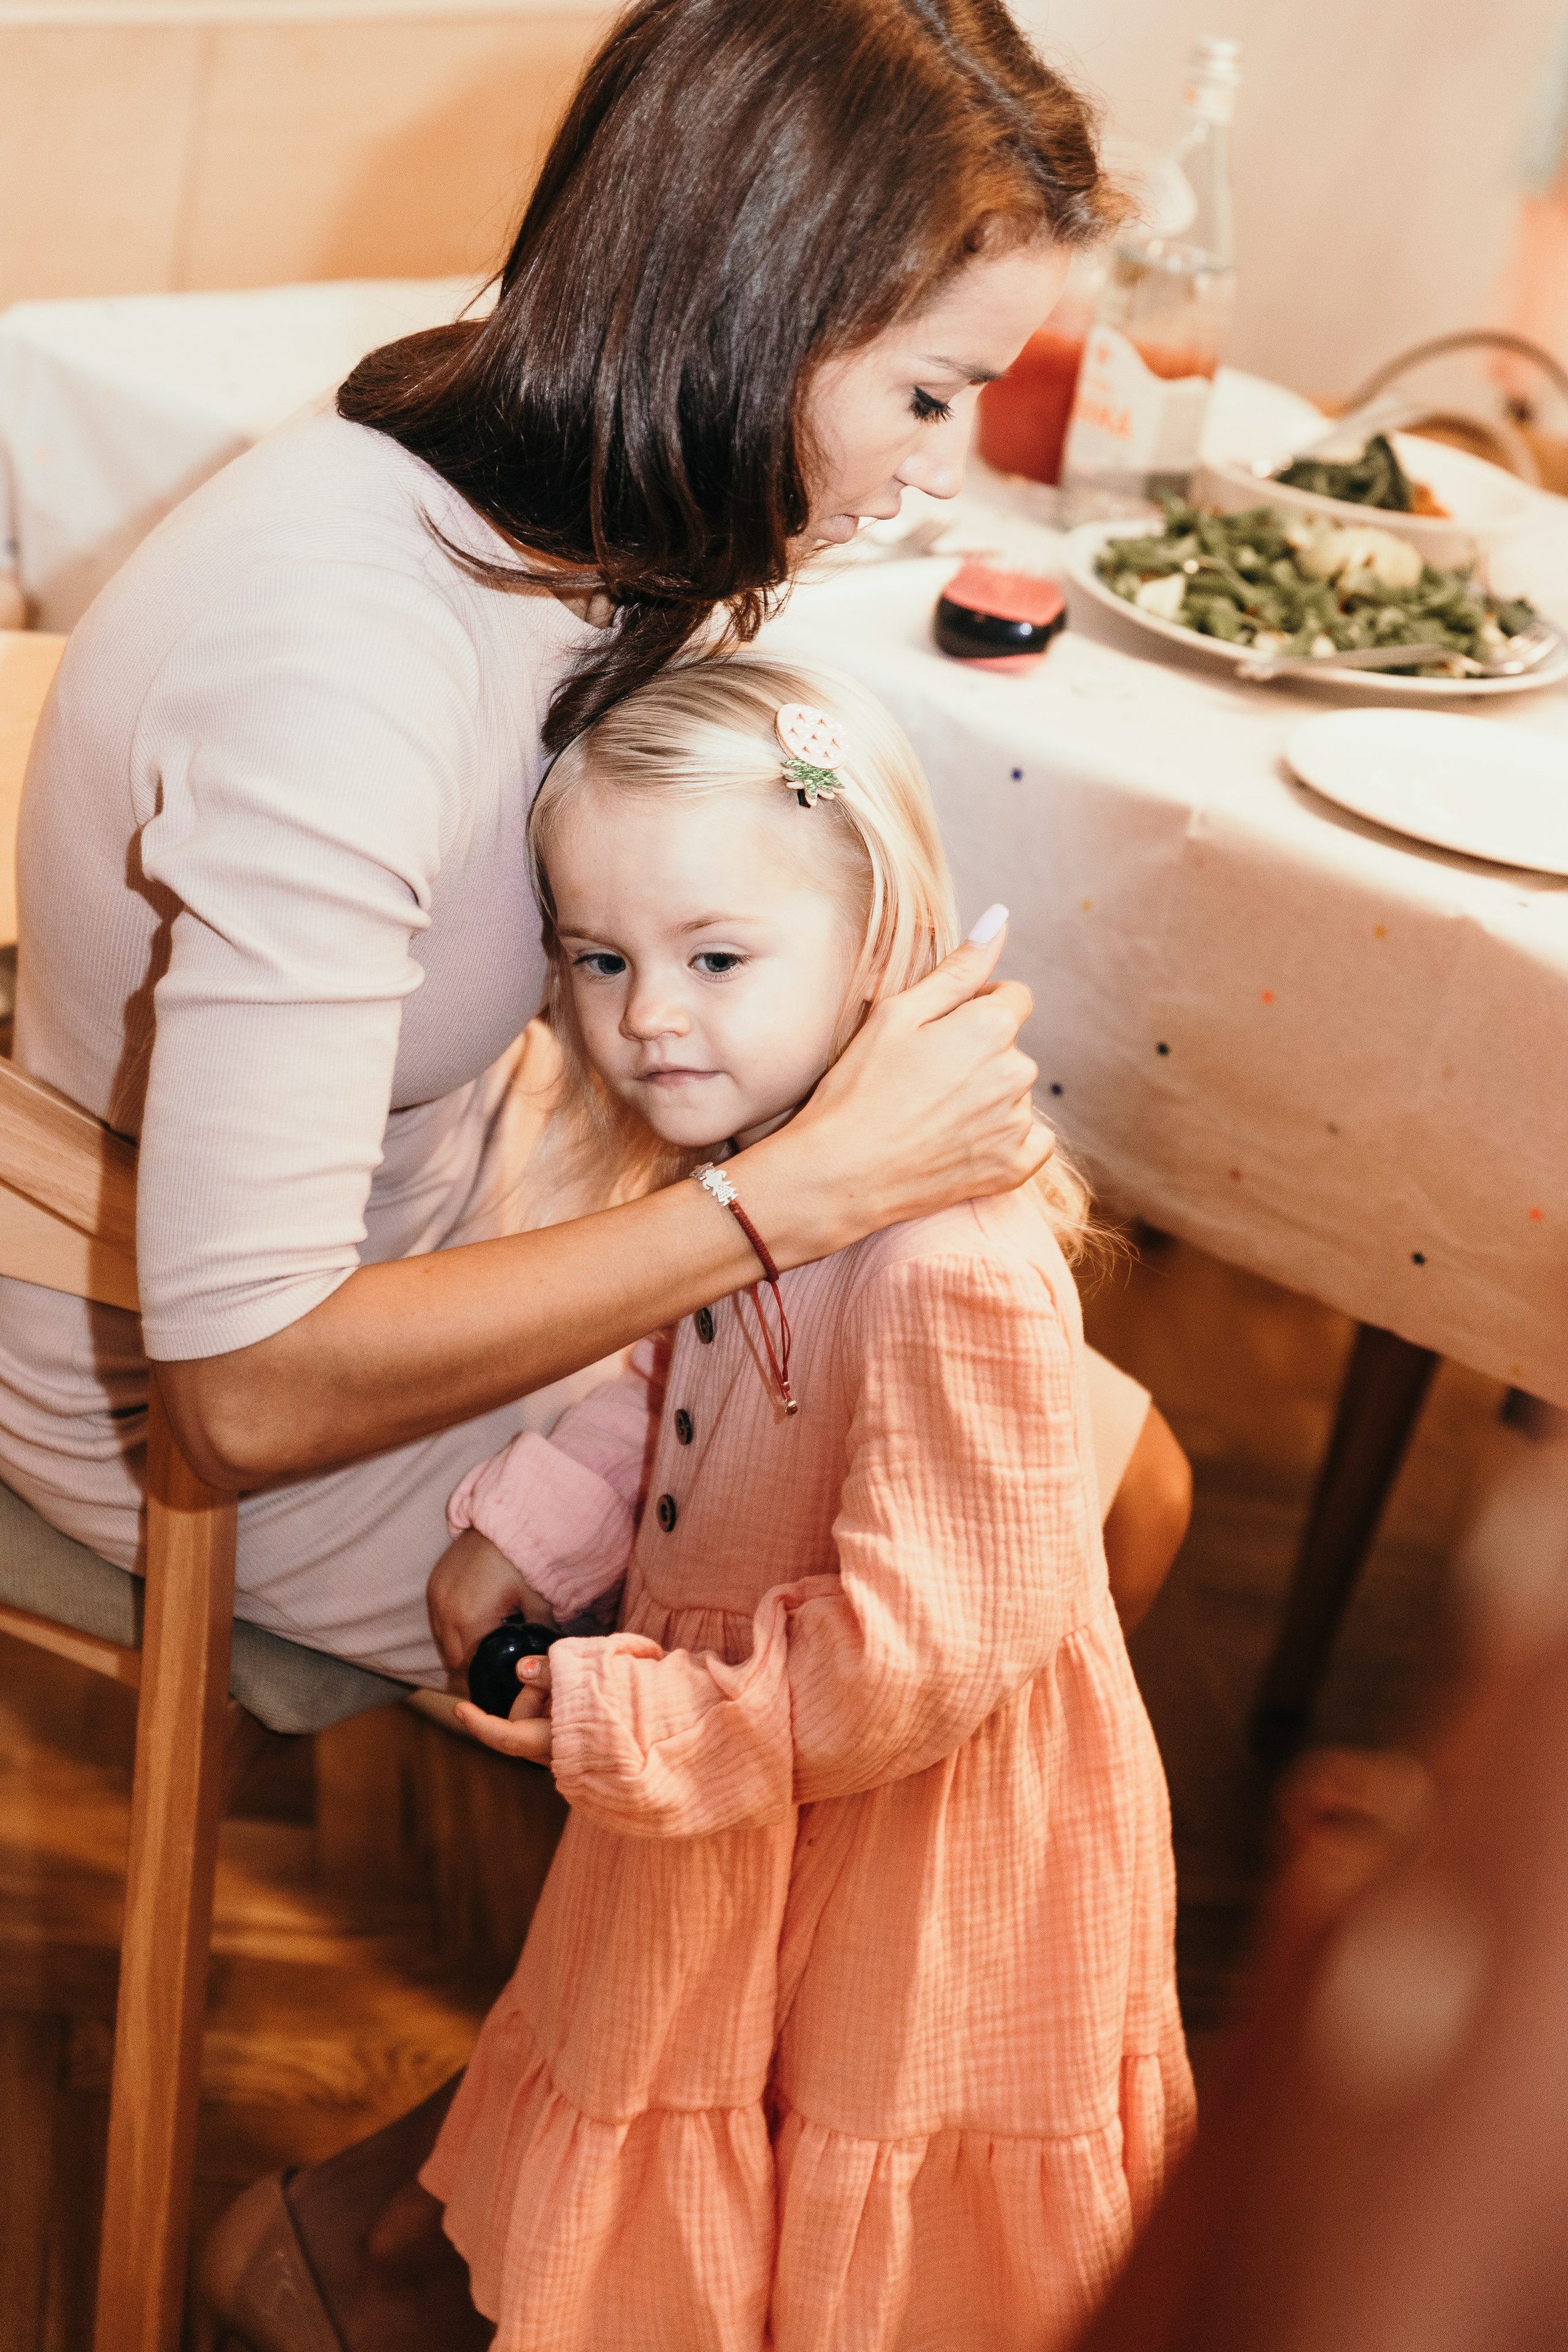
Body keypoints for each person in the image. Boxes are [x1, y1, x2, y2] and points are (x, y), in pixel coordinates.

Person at [0, 0, 1181, 2337]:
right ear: (759, 306)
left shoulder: (526, 472)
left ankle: (583, 2191)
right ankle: (422, 2248)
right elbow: (232, 1391)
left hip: (429, 1223)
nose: (941, 470)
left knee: (1056, 1494)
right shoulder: (340, 655)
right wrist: (796, 1197)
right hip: (196, 1387)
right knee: (986, 1615)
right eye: (927, 392)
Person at [412, 653, 1195, 2352]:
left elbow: (926, 1655)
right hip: (765, 1776)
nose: (649, 1017)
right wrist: (535, 1526)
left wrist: (650, 1720)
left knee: (865, 2223)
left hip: (900, 1830)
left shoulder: (946, 1264)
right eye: (601, 960)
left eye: (716, 958)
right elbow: (672, 1381)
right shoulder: (759, 1175)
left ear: (876, 945)